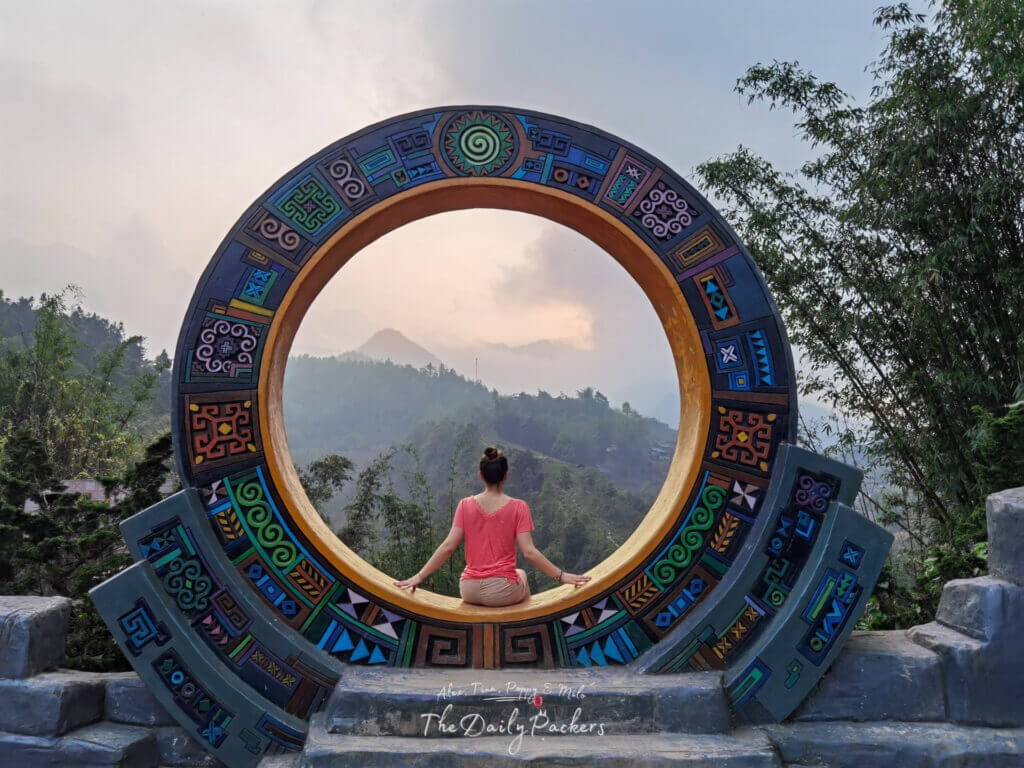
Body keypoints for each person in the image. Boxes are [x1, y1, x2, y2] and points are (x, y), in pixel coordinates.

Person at [393, 447, 591, 606]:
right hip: (502, 590)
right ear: (506, 475)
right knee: (520, 575)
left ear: (481, 475)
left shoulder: (465, 505)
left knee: (518, 575)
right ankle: (524, 634)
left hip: (468, 588)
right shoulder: (518, 507)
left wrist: (419, 576)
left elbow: (448, 547)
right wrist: (562, 576)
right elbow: (529, 552)